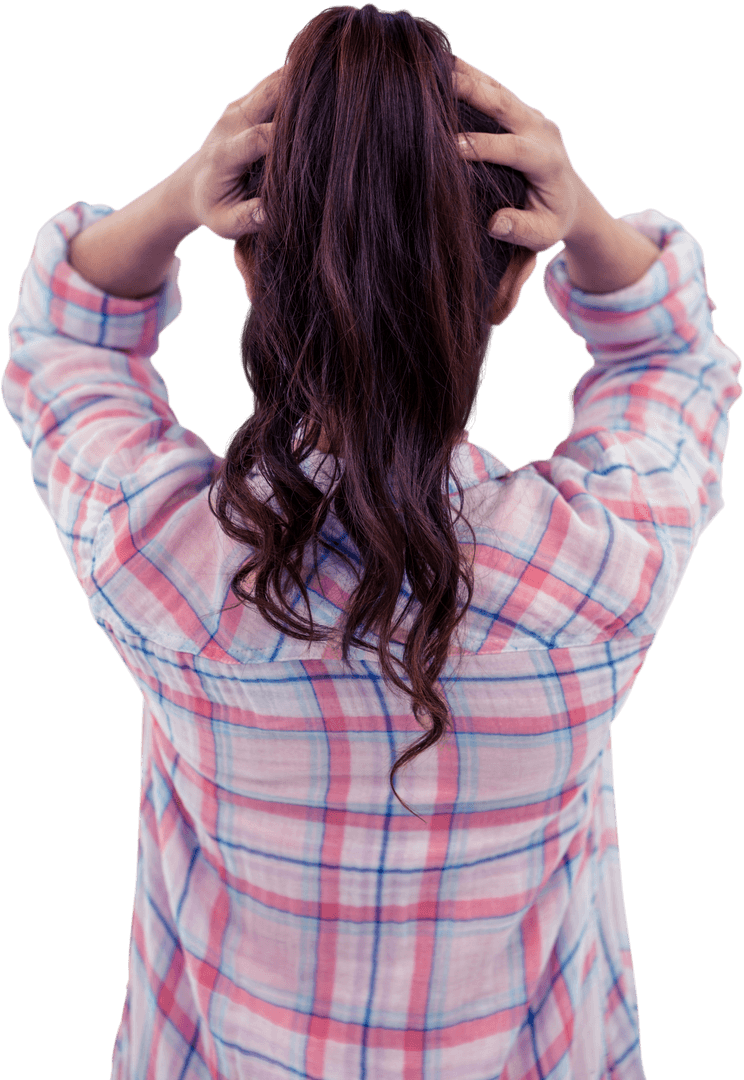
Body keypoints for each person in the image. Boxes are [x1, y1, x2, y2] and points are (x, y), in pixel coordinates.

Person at [3, 6, 740, 1080]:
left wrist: (176, 197)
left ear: (251, 267)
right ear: (509, 282)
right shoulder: (595, 577)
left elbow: (64, 337)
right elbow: (674, 357)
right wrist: (582, 214)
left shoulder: (165, 564)